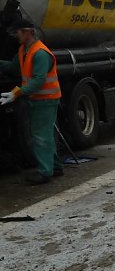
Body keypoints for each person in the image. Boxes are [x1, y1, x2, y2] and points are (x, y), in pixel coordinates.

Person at [0, 18, 63, 185]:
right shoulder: (24, 50)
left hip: (45, 100)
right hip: (39, 99)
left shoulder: (40, 53)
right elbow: (14, 67)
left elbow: (38, 80)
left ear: (28, 32)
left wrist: (16, 93)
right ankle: (55, 167)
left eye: (18, 32)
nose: (16, 36)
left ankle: (45, 172)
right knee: (45, 135)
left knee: (40, 136)